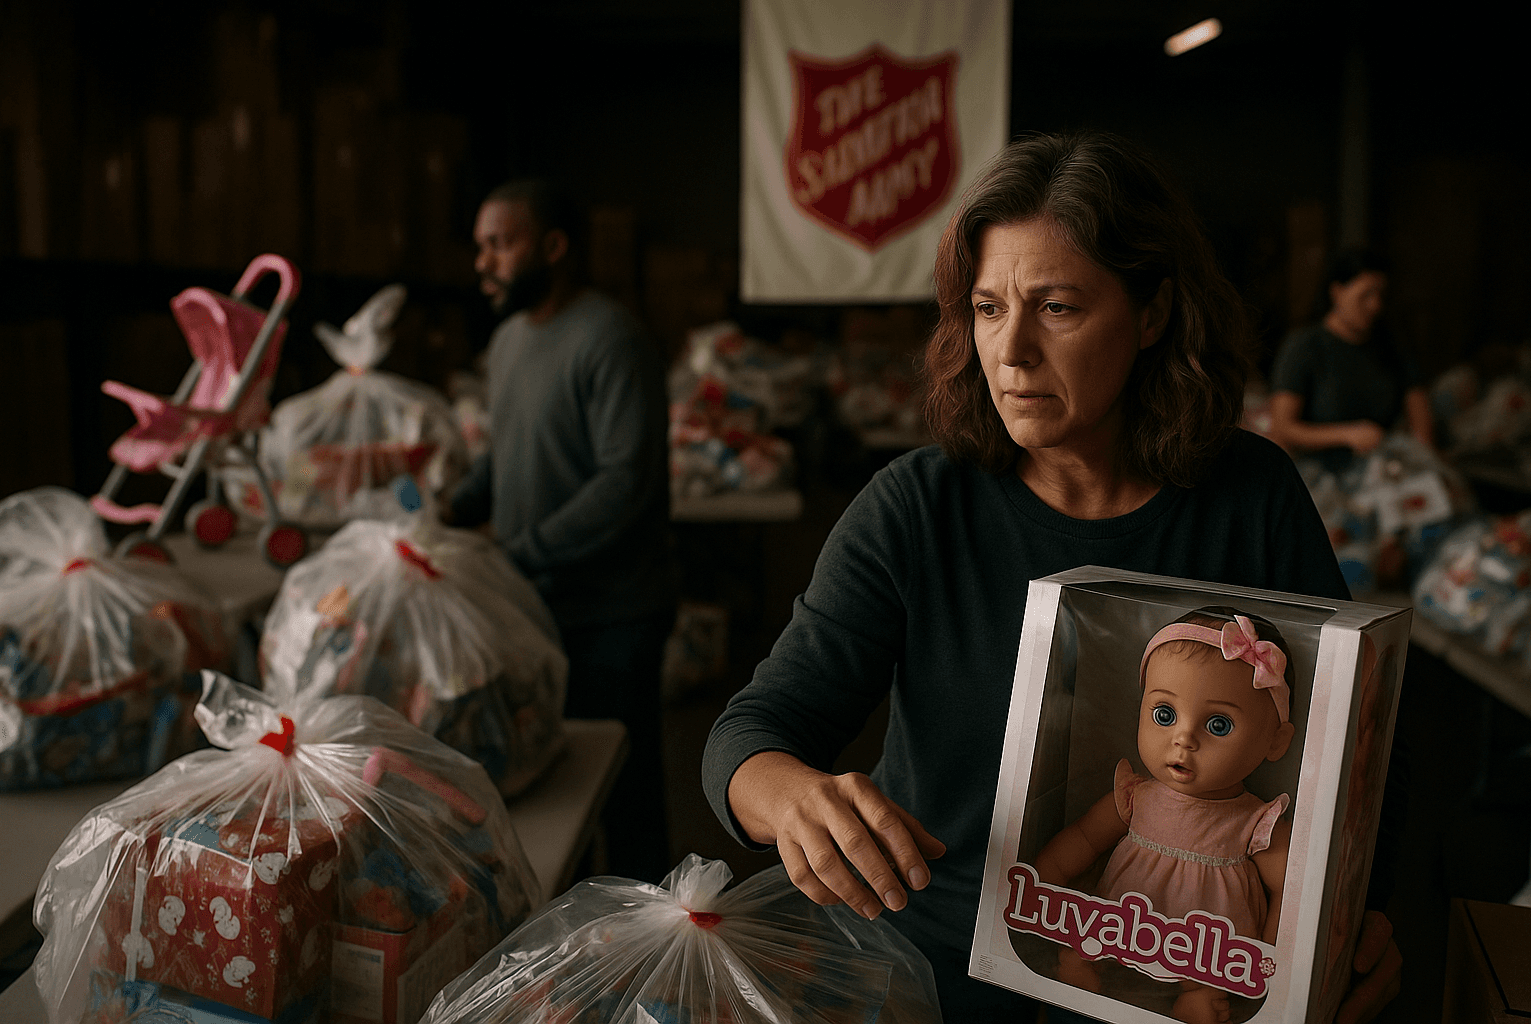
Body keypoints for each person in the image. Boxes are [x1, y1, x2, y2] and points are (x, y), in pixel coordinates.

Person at [702, 132, 1402, 1022]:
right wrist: (791, 795)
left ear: (1152, 314)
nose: (1013, 351)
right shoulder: (915, 507)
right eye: (988, 309)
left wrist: (1361, 919)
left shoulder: (1250, 496)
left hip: (1189, 982)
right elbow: (750, 732)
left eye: (1058, 307)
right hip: (936, 980)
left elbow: (1365, 745)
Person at [451, 178, 677, 883]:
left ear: (551, 247)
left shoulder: (610, 339)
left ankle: (651, 954)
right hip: (537, 608)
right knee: (555, 799)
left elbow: (624, 482)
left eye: (500, 243)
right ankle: (578, 953)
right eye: (480, 245)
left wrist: (518, 554)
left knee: (622, 796)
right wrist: (449, 512)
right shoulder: (509, 341)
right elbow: (509, 447)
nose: (483, 262)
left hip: (612, 613)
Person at [1034, 608, 1297, 1024]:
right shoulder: (1135, 796)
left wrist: (1268, 964)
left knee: (1208, 997)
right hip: (1121, 933)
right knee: (1083, 958)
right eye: (1164, 714)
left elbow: (1291, 892)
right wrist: (1044, 883)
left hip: (1209, 959)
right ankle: (1083, 961)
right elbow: (1084, 840)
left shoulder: (1254, 822)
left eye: (1218, 724)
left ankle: (1199, 994)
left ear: (1275, 740)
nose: (1184, 738)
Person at [1266, 249, 1434, 470]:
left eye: (1380, 295)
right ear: (1337, 292)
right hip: (1323, 471)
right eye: (1365, 295)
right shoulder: (1305, 345)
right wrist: (1347, 434)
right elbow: (1282, 427)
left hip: (1384, 466)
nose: (1375, 306)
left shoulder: (1390, 344)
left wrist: (1424, 456)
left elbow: (1418, 408)